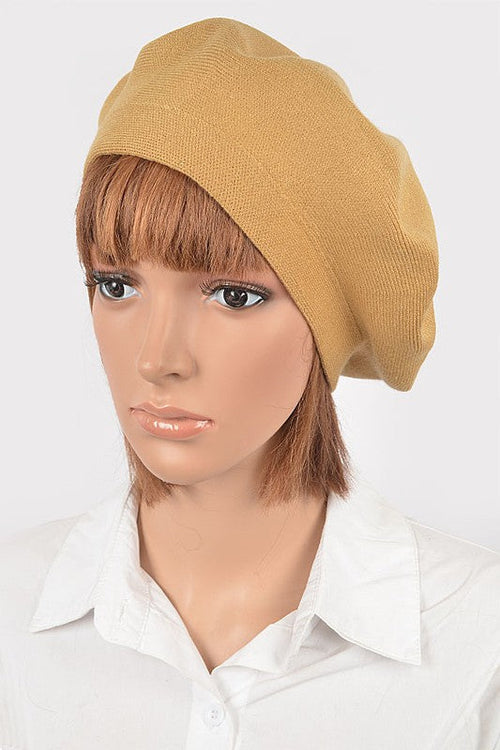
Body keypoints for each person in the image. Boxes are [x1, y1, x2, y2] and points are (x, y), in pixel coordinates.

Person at [1, 16, 499, 749]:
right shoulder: (12, 618)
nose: (157, 358)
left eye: (233, 296)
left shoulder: (477, 643)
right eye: (116, 284)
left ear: (326, 323)